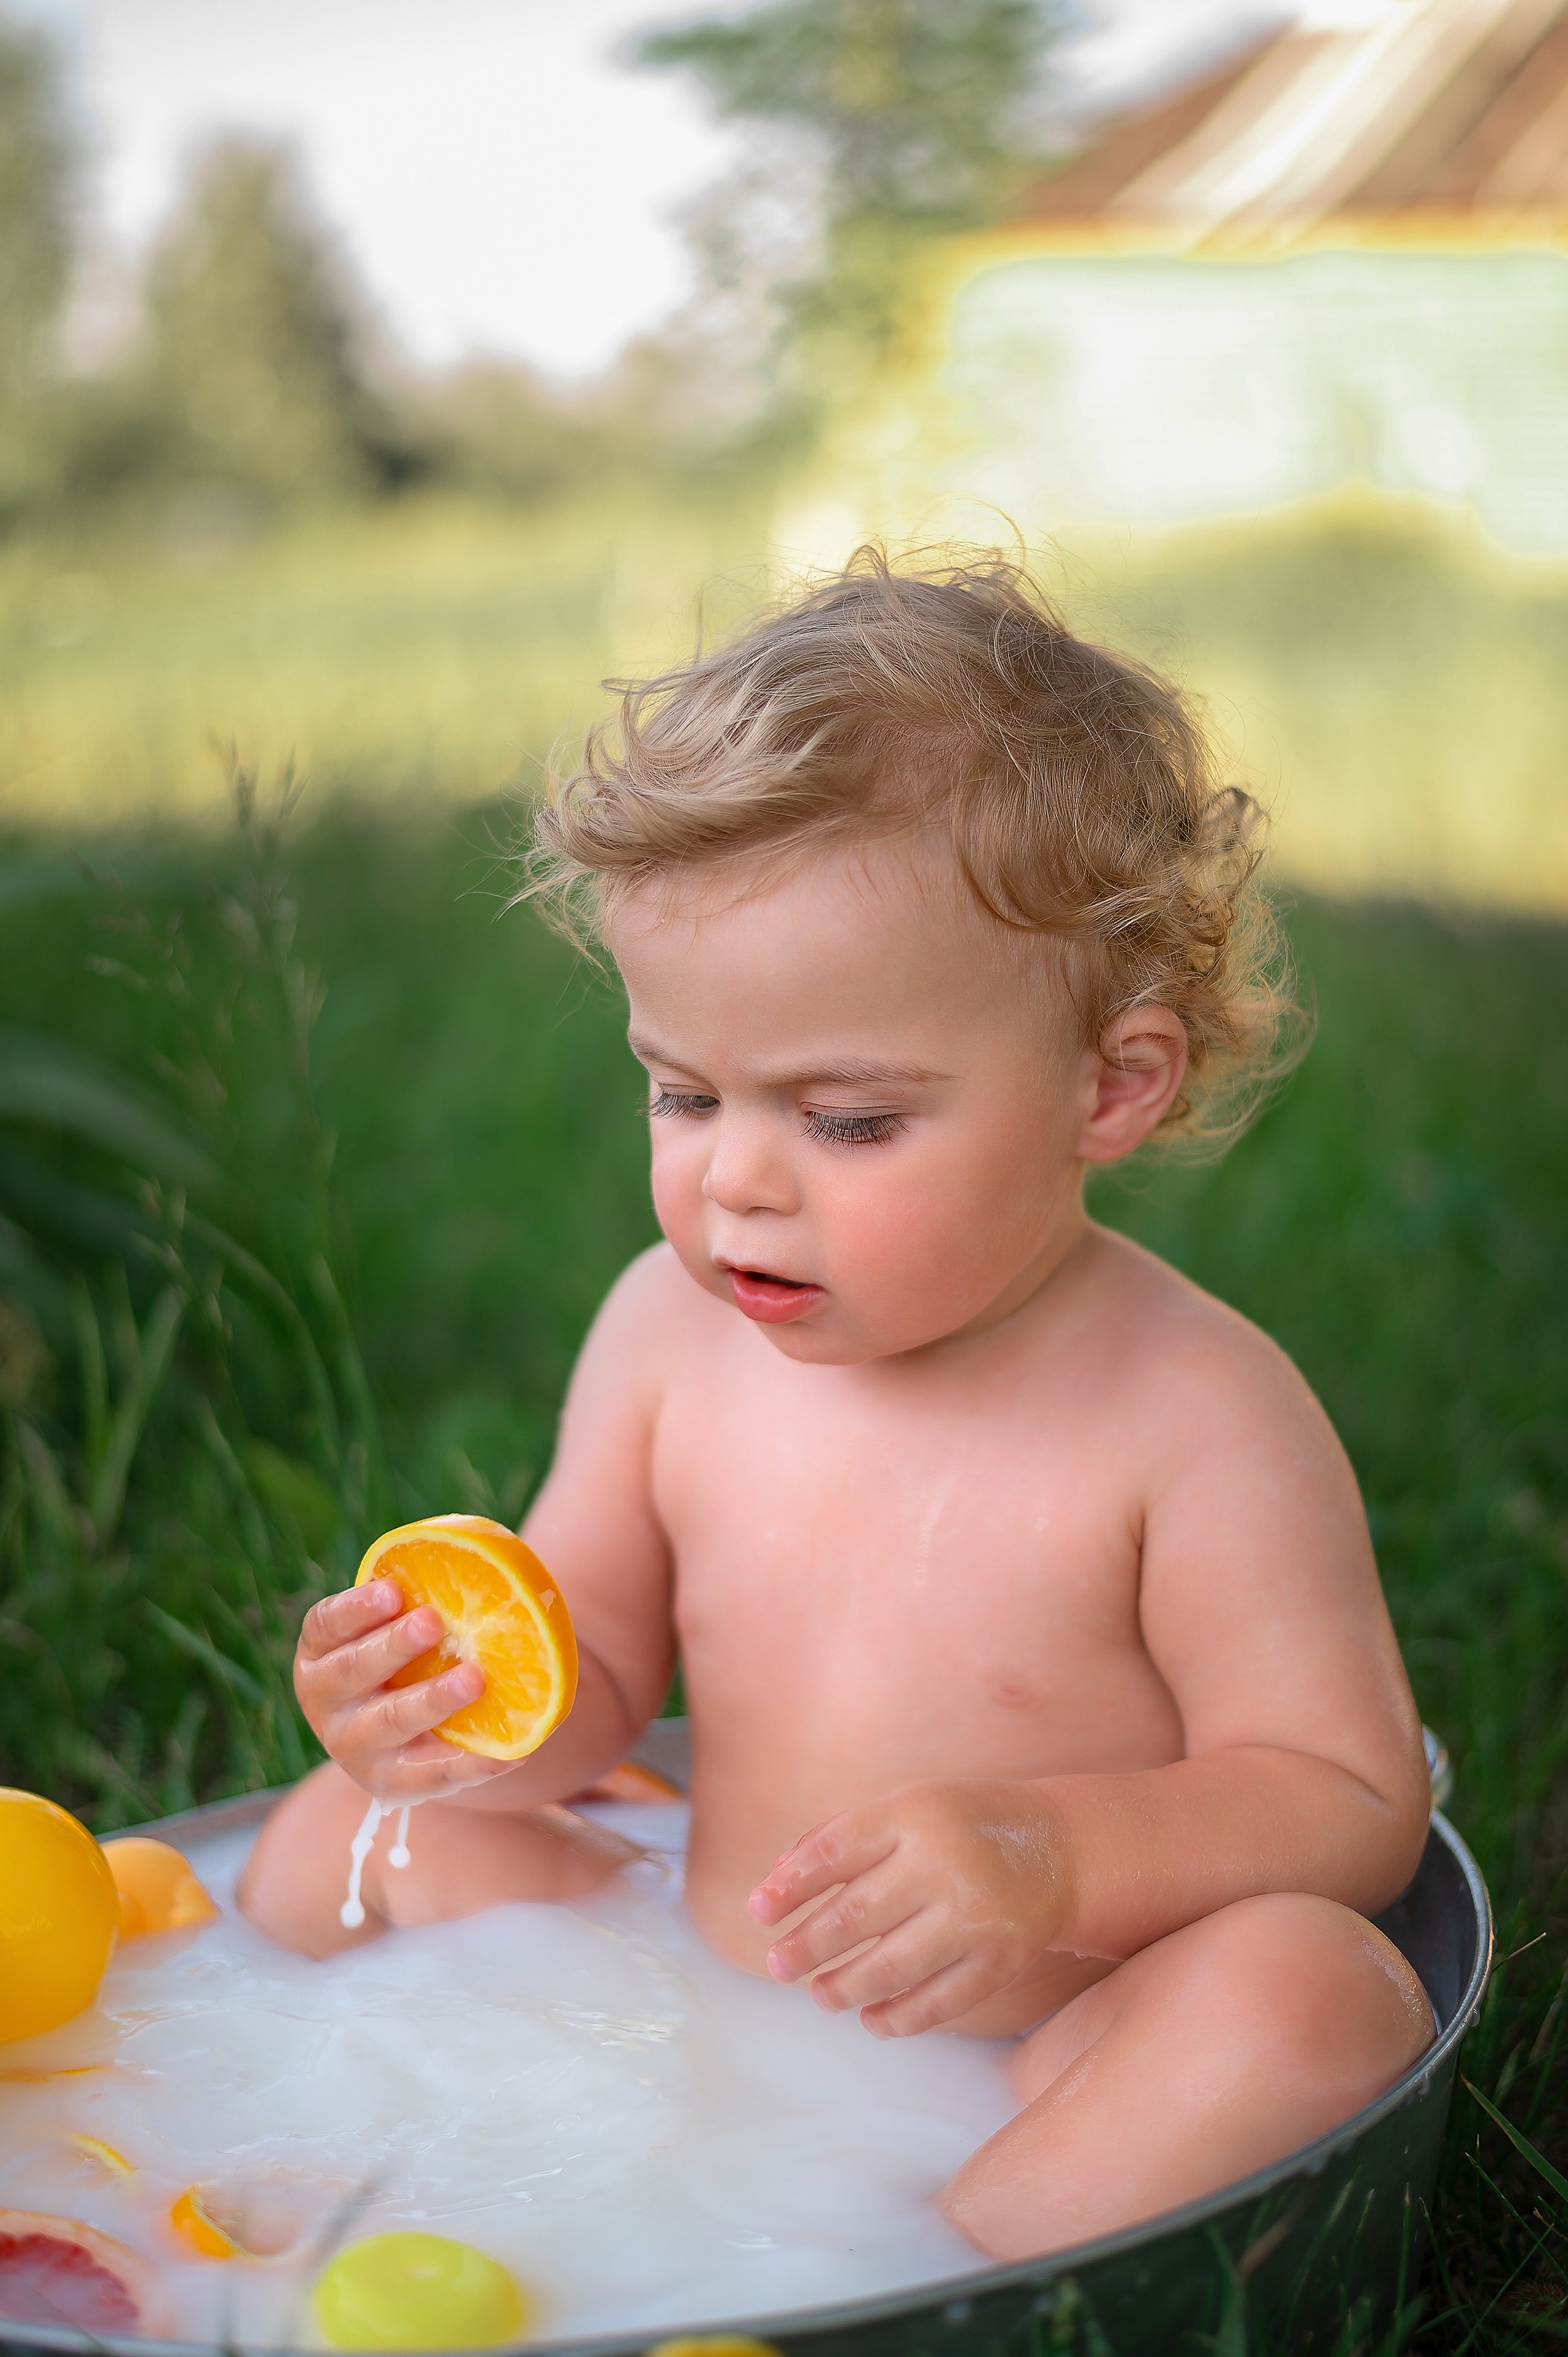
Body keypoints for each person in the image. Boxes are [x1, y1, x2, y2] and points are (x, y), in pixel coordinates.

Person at [238, 551, 1434, 2261]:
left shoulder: (1196, 1409)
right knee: (342, 1833)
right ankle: (357, 2151)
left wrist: (1052, 1855)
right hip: (687, 1983)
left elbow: (1348, 1802)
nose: (736, 1184)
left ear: (1114, 1083)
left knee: (1320, 1996)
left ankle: (929, 2267)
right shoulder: (666, 1333)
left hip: (1039, 2052)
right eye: (684, 1091)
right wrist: (439, 1710)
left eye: (850, 1120)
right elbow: (589, 1702)